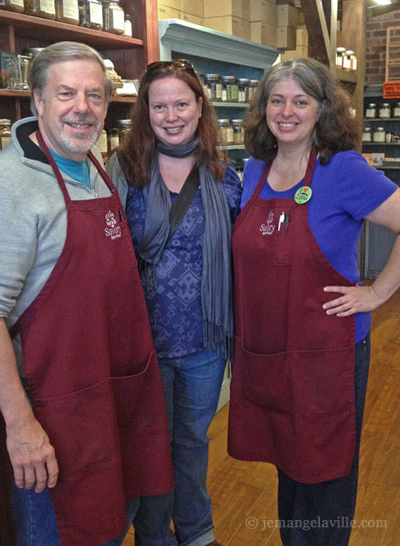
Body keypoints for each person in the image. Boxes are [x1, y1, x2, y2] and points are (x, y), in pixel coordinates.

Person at [0, 41, 173, 546]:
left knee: (109, 528)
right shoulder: (12, 185)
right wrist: (20, 425)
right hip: (54, 414)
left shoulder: (98, 168)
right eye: (66, 94)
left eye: (94, 96)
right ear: (37, 101)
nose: (83, 108)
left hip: (111, 395)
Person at [227, 57, 400, 545]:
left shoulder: (343, 169)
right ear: (263, 109)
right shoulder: (256, 166)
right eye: (276, 101)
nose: (287, 112)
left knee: (324, 471)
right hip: (268, 350)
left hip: (328, 353)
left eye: (300, 101)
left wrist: (376, 292)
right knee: (289, 462)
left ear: (322, 109)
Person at [106, 58, 242, 546]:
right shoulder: (121, 171)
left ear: (200, 106)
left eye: (181, 103)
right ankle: (152, 536)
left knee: (190, 441)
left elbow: (248, 253)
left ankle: (196, 530)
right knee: (149, 446)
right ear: (146, 110)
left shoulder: (225, 175)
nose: (171, 115)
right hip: (144, 339)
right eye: (159, 105)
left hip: (204, 338)